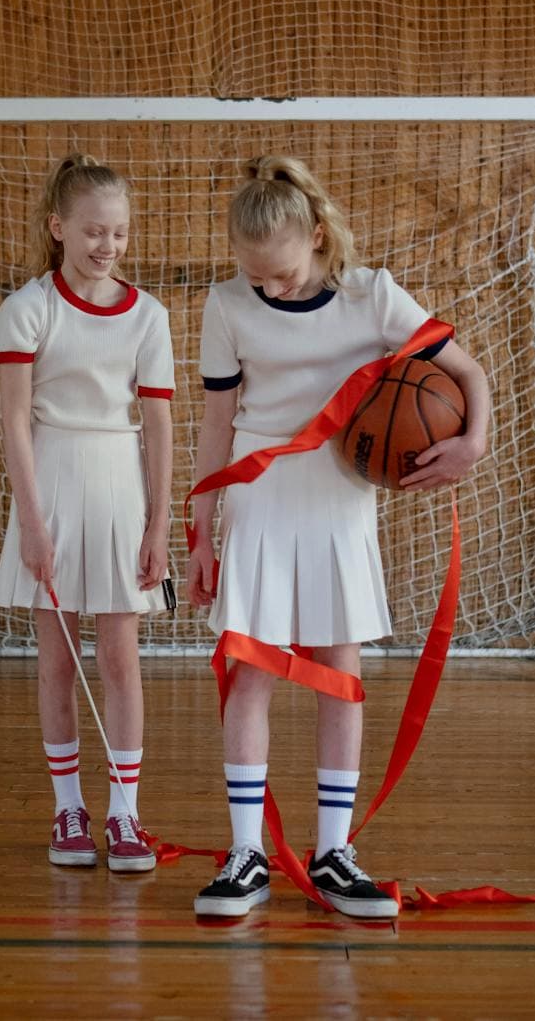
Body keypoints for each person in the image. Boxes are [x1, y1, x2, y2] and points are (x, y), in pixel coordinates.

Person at [188, 155, 491, 918]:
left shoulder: (373, 295)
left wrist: (474, 441)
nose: (269, 288)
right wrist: (197, 527)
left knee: (339, 669)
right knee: (251, 671)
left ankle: (333, 853)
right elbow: (218, 423)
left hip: (340, 499)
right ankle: (246, 852)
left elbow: (470, 372)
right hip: (258, 495)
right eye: (255, 276)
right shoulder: (226, 305)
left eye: (283, 274)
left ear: (318, 236)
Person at [0, 154, 174, 874]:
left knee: (121, 658)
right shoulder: (26, 307)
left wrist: (158, 522)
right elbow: (12, 422)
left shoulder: (149, 315)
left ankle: (126, 815)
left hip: (119, 486)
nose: (108, 246)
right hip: (51, 483)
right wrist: (32, 522)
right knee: (58, 662)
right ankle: (68, 808)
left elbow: (157, 427)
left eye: (120, 233)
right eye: (95, 231)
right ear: (57, 227)